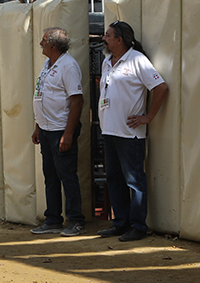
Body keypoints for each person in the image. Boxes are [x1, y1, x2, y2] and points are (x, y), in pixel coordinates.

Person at [97, 21, 168, 242]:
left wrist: (148, 117)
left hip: (130, 134)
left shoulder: (137, 59)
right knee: (114, 178)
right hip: (109, 129)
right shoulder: (107, 61)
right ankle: (121, 222)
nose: (104, 39)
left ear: (120, 40)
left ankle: (138, 225)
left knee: (134, 180)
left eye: (108, 36)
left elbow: (160, 87)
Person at [29, 27, 85, 237]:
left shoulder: (68, 66)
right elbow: (41, 94)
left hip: (60, 129)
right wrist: (38, 126)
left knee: (66, 175)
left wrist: (68, 134)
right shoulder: (48, 63)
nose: (41, 44)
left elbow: (77, 100)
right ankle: (53, 218)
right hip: (46, 129)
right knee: (51, 176)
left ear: (53, 45)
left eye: (43, 41)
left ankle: (76, 220)